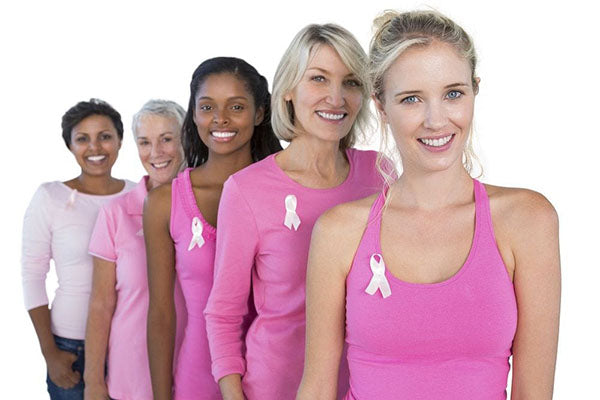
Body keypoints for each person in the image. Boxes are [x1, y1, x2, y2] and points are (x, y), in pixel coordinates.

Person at [297, 10, 561, 400]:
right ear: (382, 107)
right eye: (411, 99)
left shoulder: (528, 221)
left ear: (475, 90)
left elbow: (533, 393)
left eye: (453, 93)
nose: (436, 120)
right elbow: (317, 387)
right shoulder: (340, 231)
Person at [204, 24, 386, 400]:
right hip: (275, 388)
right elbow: (223, 314)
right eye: (319, 79)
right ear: (288, 89)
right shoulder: (247, 190)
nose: (336, 98)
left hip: (365, 387)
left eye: (351, 82)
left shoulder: (380, 176)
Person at [144, 57, 282, 400]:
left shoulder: (286, 193)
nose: (220, 119)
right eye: (207, 106)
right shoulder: (165, 202)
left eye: (236, 106)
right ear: (193, 113)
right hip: (197, 380)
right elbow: (161, 313)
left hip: (278, 379)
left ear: (260, 113)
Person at [21, 99, 135, 400]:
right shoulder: (50, 198)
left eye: (105, 136)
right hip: (71, 346)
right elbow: (33, 276)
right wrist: (50, 354)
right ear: (70, 145)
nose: (95, 147)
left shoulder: (141, 195)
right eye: (82, 139)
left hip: (128, 344)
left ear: (120, 141)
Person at [83, 99, 186, 400]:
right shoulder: (115, 214)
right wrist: (93, 382)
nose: (156, 153)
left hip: (194, 373)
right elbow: (101, 303)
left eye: (167, 139)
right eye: (145, 142)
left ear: (187, 139)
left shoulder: (210, 206)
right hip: (132, 379)